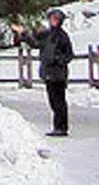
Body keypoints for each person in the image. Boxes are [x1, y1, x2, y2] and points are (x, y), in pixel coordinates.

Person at [37, 7, 73, 136]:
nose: (52, 21)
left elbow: (69, 54)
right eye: (51, 18)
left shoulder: (62, 36)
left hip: (58, 74)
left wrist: (58, 59)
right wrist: (23, 33)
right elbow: (36, 43)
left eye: (54, 19)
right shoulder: (48, 35)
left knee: (59, 101)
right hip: (48, 73)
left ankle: (61, 127)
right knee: (53, 101)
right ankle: (58, 126)